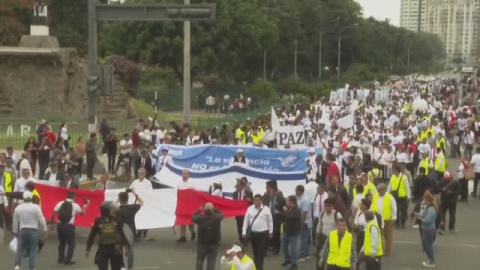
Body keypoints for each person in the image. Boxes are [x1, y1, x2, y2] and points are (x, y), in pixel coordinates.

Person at [86, 201, 129, 270]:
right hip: (103, 248)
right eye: (111, 209)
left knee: (116, 267)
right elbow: (92, 235)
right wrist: (88, 248)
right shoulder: (98, 220)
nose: (113, 210)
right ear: (106, 210)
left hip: (116, 248)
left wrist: (126, 245)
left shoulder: (116, 219)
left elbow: (121, 233)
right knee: (102, 267)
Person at [50, 192, 89, 265]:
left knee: (61, 243)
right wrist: (86, 205)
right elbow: (82, 214)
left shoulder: (60, 203)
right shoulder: (75, 205)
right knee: (71, 244)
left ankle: (61, 259)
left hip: (59, 225)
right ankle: (68, 260)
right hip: (69, 226)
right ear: (74, 197)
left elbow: (53, 214)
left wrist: (52, 223)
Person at [13, 191, 47, 270]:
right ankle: (32, 267)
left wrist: (15, 231)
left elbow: (15, 221)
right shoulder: (36, 207)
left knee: (20, 249)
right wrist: (45, 228)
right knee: (32, 250)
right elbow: (41, 219)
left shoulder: (18, 208)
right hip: (33, 230)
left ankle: (17, 265)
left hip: (22, 230)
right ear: (31, 198)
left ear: (23, 198)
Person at [242, 194, 273, 270]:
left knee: (260, 253)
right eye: (255, 200)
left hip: (263, 234)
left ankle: (259, 268)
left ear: (262, 201)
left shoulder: (266, 209)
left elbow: (270, 221)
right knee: (255, 252)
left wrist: (271, 231)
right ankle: (255, 267)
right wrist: (244, 232)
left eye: (258, 200)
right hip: (253, 234)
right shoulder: (250, 209)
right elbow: (246, 221)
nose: (257, 202)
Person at [116, 189, 143, 270]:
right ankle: (130, 268)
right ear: (127, 199)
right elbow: (141, 202)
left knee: (119, 250)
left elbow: (113, 204)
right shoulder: (133, 208)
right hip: (130, 232)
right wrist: (134, 193)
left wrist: (118, 197)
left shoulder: (117, 209)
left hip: (120, 232)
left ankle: (121, 266)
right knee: (130, 251)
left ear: (120, 200)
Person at [192, 202, 223, 270]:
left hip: (202, 243)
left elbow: (193, 217)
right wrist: (215, 209)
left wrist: (198, 210)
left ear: (204, 210)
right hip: (214, 243)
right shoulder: (217, 218)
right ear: (212, 210)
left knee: (200, 260)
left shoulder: (200, 218)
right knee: (211, 261)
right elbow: (221, 214)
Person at [316, 198, 343, 270]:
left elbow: (341, 227)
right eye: (325, 206)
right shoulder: (322, 214)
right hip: (323, 238)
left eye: (329, 206)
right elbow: (319, 225)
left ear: (332, 206)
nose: (327, 208)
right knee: (322, 257)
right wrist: (317, 234)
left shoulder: (337, 214)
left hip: (334, 240)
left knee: (331, 258)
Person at [371, 183, 397, 256]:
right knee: (378, 235)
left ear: (384, 190)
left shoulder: (390, 197)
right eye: (378, 190)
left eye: (380, 190)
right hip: (377, 219)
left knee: (388, 236)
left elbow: (394, 207)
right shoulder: (375, 196)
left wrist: (394, 218)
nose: (378, 191)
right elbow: (372, 205)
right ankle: (380, 250)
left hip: (387, 219)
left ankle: (387, 251)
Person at [262, 179, 285, 255]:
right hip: (268, 218)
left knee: (276, 233)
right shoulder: (266, 195)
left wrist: (279, 212)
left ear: (273, 188)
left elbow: (284, 210)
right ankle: (270, 245)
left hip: (277, 219)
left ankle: (276, 248)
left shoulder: (280, 198)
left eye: (268, 187)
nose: (266, 188)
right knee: (268, 232)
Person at [129, 168, 153, 239]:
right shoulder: (135, 182)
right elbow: (129, 189)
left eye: (142, 174)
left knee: (144, 217)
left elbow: (150, 193)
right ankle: (138, 232)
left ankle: (145, 231)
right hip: (136, 203)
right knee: (137, 217)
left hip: (144, 203)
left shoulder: (148, 182)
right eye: (139, 174)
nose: (140, 175)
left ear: (145, 174)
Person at [281, 195, 301, 270]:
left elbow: (290, 217)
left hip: (294, 233)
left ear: (291, 202)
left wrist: (285, 212)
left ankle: (294, 263)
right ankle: (287, 259)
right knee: (284, 247)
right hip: (286, 231)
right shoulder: (289, 209)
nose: (286, 202)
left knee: (292, 249)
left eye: (287, 201)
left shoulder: (297, 210)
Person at [387, 164, 410, 229]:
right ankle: (397, 223)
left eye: (393, 170)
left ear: (397, 170)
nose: (392, 171)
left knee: (403, 210)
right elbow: (390, 186)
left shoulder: (404, 177)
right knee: (395, 209)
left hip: (403, 196)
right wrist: (387, 193)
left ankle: (403, 223)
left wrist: (408, 196)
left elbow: (407, 187)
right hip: (395, 196)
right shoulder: (392, 177)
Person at [419, 191, 438, 268]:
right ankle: (430, 259)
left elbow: (428, 220)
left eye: (424, 199)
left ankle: (432, 261)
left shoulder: (431, 209)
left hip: (429, 229)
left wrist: (421, 219)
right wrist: (419, 215)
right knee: (426, 244)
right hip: (426, 228)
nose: (423, 200)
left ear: (427, 199)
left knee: (428, 245)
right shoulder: (428, 207)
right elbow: (423, 215)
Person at [296, 184, 313, 261]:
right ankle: (307, 253)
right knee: (305, 238)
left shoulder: (305, 200)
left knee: (303, 239)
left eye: (296, 190)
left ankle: (302, 255)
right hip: (303, 221)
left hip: (305, 222)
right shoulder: (299, 198)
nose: (295, 192)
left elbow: (304, 212)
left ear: (300, 191)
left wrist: (302, 222)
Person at [233, 178, 253, 242]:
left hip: (245, 213)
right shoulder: (235, 194)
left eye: (238, 186)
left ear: (242, 186)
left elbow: (253, 202)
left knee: (245, 226)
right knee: (239, 226)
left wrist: (250, 200)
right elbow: (233, 203)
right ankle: (241, 237)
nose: (236, 187)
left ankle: (246, 239)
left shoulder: (248, 192)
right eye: (236, 186)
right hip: (238, 213)